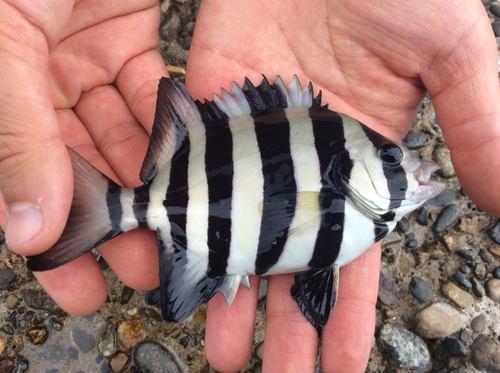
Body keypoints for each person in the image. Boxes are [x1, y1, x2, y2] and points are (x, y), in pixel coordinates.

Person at [1, 0, 499, 372]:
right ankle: (113, 210)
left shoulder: (362, 199)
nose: (409, 166)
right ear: (349, 173)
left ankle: (116, 209)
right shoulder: (360, 200)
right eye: (391, 157)